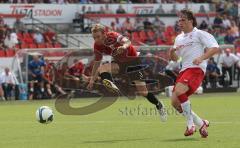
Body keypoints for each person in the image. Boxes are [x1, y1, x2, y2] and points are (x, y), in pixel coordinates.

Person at [87, 24, 167, 122]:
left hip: (133, 62)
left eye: (98, 37)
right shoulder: (97, 46)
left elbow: (128, 41)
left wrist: (124, 47)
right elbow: (96, 63)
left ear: (104, 34)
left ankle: (159, 104)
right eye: (94, 38)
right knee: (102, 68)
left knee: (143, 92)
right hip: (120, 63)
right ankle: (112, 86)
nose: (96, 40)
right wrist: (92, 79)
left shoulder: (113, 35)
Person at [169, 9, 220, 138]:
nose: (180, 22)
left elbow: (215, 48)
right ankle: (201, 123)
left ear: (190, 21)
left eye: (183, 20)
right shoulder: (179, 38)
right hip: (184, 70)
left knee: (179, 91)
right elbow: (175, 59)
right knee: (174, 102)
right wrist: (171, 52)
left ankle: (190, 125)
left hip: (196, 69)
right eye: (179, 20)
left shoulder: (200, 34)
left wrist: (201, 58)